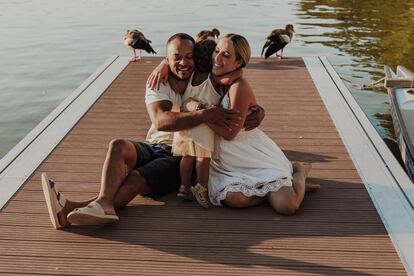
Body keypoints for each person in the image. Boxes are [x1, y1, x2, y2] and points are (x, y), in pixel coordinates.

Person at [40, 33, 264, 229]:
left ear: (196, 58)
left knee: (137, 177)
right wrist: (203, 113)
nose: (184, 63)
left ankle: (74, 210)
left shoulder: (202, 75)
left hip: (180, 154)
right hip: (154, 144)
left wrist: (258, 110)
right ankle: (101, 204)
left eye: (189, 57)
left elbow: (234, 81)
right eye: (176, 58)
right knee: (118, 145)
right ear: (167, 58)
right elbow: (161, 121)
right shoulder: (158, 81)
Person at [203, 34, 320, 213]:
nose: (217, 58)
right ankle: (271, 192)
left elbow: (230, 133)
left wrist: (203, 115)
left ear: (239, 62)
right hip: (228, 163)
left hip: (252, 156)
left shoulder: (239, 87)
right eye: (217, 51)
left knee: (288, 206)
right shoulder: (217, 77)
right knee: (235, 199)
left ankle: (299, 173)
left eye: (226, 55)